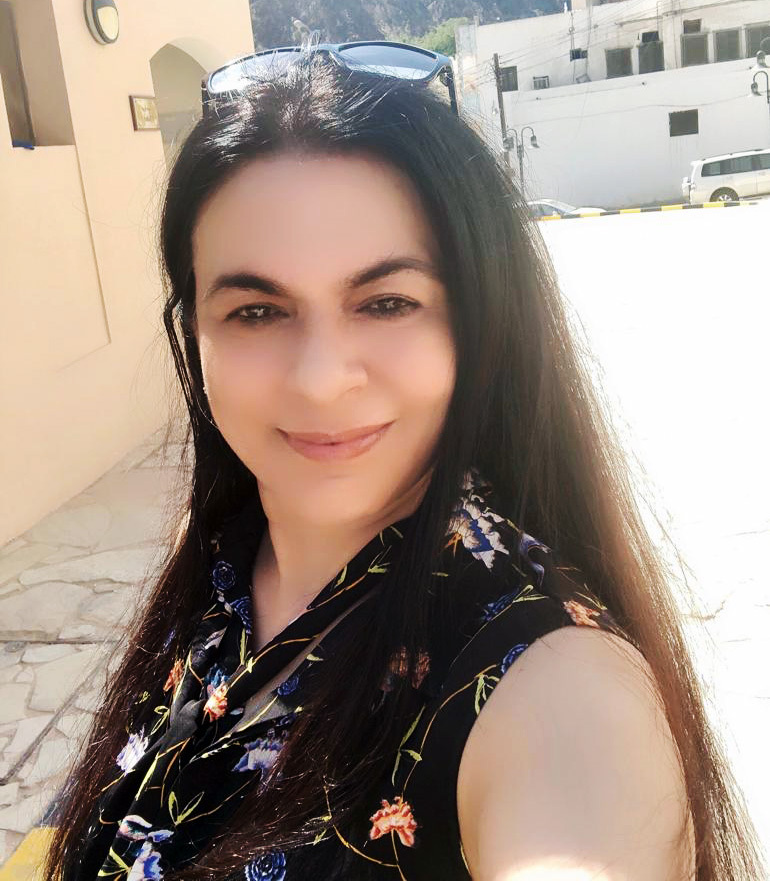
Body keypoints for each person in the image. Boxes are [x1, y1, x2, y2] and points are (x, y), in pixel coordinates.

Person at [43, 44, 763, 881]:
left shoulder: (553, 682)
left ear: (478, 322)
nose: (320, 381)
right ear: (193, 329)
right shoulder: (215, 550)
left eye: (387, 302)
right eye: (255, 310)